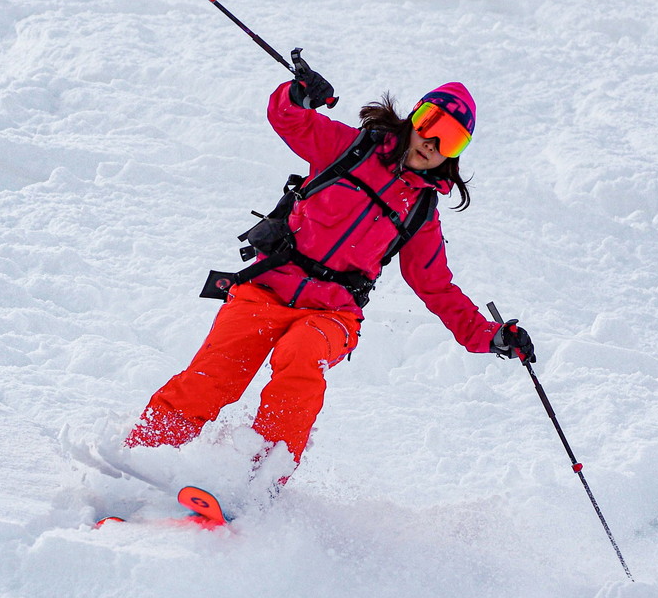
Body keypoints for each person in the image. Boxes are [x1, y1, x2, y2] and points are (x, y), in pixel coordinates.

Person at [123, 49, 536, 492]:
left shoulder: (420, 211)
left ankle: (254, 484)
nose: (432, 145)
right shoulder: (350, 149)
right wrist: (299, 94)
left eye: (450, 142)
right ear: (415, 117)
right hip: (266, 288)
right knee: (212, 378)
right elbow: (290, 120)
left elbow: (436, 287)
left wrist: (489, 335)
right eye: (432, 125)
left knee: (301, 358)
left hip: (332, 314)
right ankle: (140, 459)